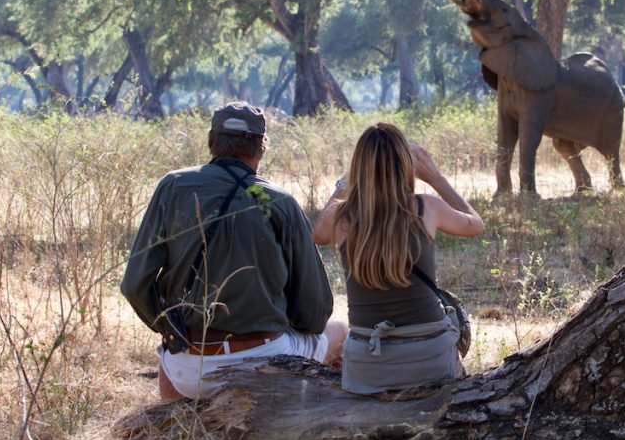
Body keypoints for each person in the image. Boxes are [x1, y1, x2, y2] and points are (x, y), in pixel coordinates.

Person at [121, 101, 347, 400]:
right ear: (261, 147)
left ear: (211, 141)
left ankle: (180, 424)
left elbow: (134, 285)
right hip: (267, 363)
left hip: (190, 371)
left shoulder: (172, 186)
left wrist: (173, 333)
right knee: (339, 330)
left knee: (167, 358)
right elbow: (314, 314)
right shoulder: (281, 202)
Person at [313, 123, 483, 395]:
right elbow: (476, 225)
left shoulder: (341, 216)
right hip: (431, 361)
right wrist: (437, 178)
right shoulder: (426, 207)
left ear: (358, 167)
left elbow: (317, 234)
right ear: (405, 165)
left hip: (368, 364)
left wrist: (346, 181)